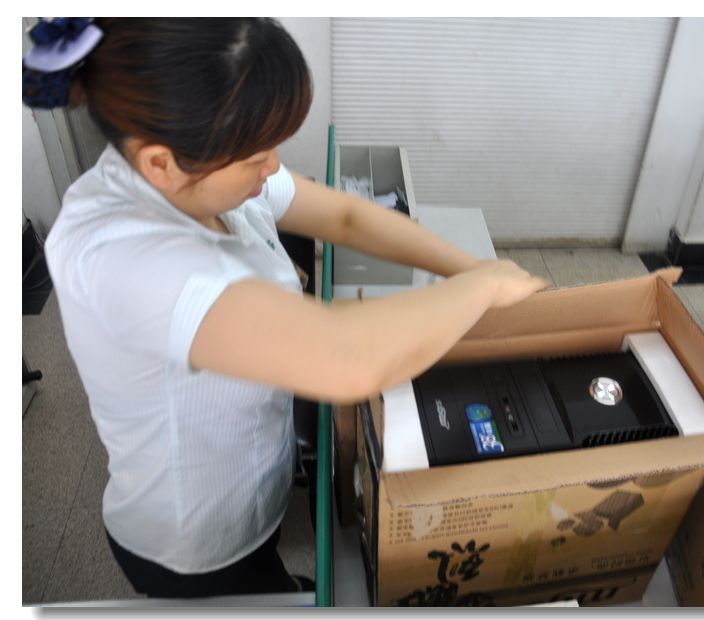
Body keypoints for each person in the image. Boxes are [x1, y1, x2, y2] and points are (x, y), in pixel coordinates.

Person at [22, 18, 547, 599]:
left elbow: (345, 216)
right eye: (255, 155)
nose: (272, 166)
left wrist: (467, 268)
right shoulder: (124, 259)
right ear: (160, 162)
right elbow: (346, 360)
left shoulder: (197, 169)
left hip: (248, 474)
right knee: (258, 588)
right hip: (197, 543)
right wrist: (482, 290)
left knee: (271, 563)